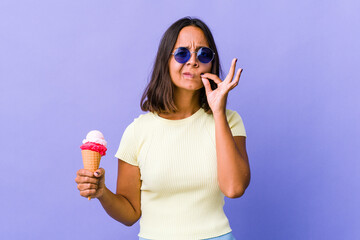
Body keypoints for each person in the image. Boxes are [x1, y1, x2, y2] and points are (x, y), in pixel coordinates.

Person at [75, 17, 250, 240]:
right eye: (182, 53)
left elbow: (234, 188)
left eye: (203, 54)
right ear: (165, 60)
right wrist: (102, 193)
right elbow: (130, 213)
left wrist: (218, 112)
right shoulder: (138, 131)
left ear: (211, 63)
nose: (193, 61)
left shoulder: (229, 121)